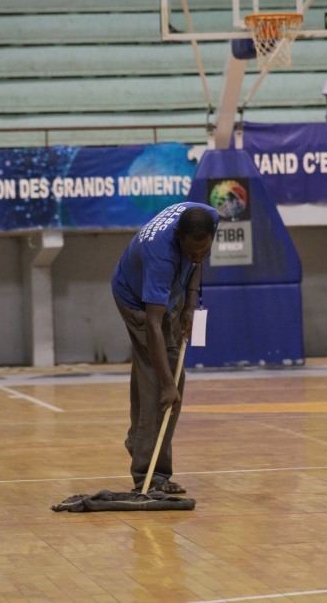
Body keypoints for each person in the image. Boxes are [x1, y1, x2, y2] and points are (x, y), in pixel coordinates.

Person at [111, 201, 219, 494]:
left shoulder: (208, 216)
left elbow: (196, 262)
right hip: (137, 303)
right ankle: (151, 474)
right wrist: (167, 383)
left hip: (167, 296)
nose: (198, 257)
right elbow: (153, 324)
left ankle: (138, 440)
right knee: (163, 387)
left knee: (152, 373)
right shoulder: (161, 255)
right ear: (177, 238)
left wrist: (191, 302)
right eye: (191, 251)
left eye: (204, 251)